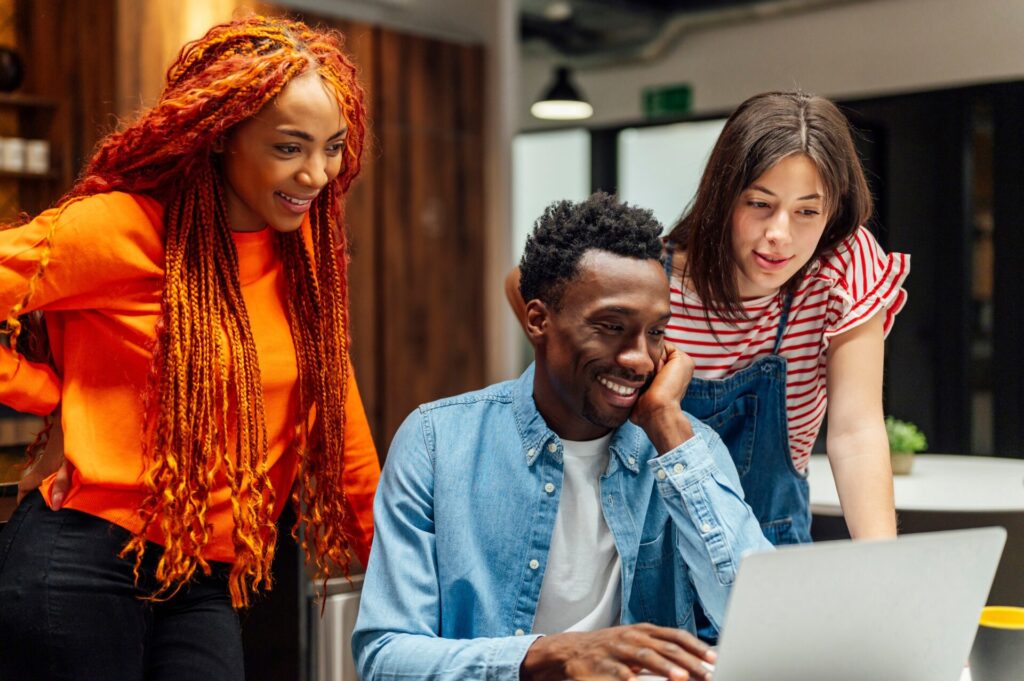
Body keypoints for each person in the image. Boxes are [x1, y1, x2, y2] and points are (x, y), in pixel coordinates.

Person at [0, 15, 380, 680]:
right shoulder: (123, 227)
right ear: (219, 138)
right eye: (290, 147)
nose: (318, 174)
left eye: (334, 147)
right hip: (83, 558)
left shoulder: (306, 256)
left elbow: (341, 429)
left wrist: (398, 571)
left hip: (202, 575)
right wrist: (46, 392)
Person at [354, 193, 772, 681]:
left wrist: (669, 428)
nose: (639, 359)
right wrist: (552, 656)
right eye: (612, 327)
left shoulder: (685, 448)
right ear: (538, 321)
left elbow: (758, 626)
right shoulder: (437, 442)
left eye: (656, 332)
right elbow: (385, 656)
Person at [506, 91, 908, 545]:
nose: (780, 234)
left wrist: (882, 570)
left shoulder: (842, 269)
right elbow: (522, 281)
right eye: (759, 203)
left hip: (767, 543)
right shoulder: (652, 277)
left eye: (807, 211)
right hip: (645, 544)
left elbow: (856, 433)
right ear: (723, 196)